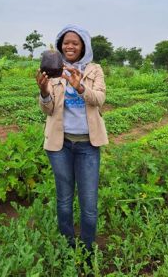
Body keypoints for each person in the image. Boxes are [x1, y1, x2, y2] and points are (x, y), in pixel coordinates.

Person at [36, 24, 108, 255]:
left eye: (75, 42)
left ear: (83, 46)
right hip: (60, 146)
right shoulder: (54, 71)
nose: (70, 46)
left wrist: (79, 86)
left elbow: (99, 99)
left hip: (88, 145)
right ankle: (67, 247)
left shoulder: (94, 70)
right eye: (66, 42)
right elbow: (47, 110)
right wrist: (44, 92)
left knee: (88, 204)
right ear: (60, 45)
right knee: (64, 199)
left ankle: (87, 250)